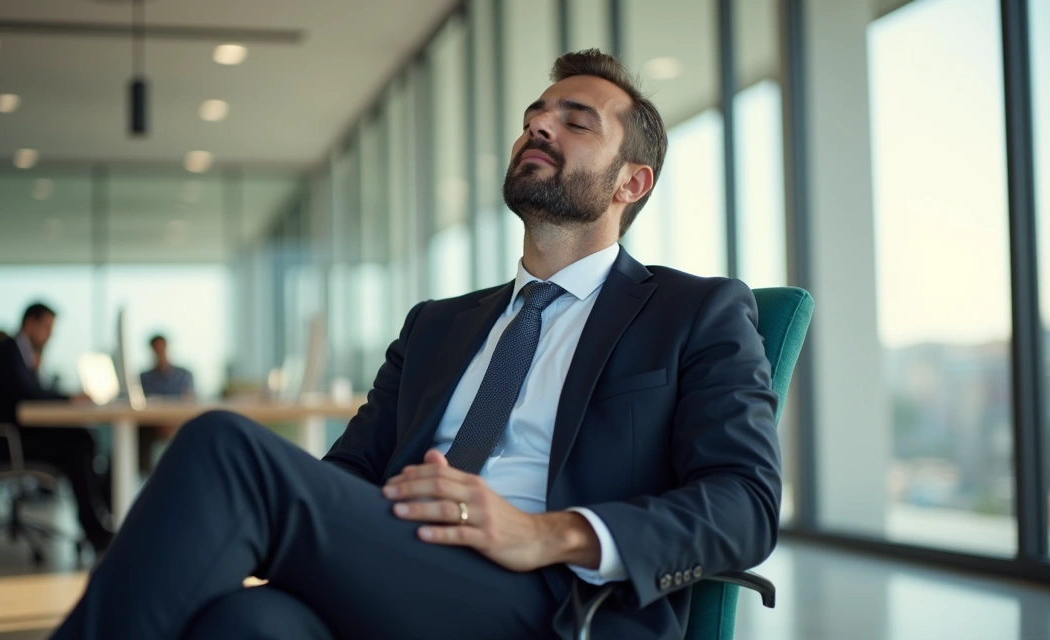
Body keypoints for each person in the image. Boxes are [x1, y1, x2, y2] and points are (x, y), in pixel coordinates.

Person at [53, 49, 780, 640]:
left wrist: (545, 534)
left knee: (225, 449)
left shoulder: (693, 312)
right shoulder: (437, 324)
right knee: (244, 624)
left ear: (631, 183)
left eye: (575, 121)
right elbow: (351, 470)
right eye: (535, 115)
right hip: (406, 564)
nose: (538, 125)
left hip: (556, 601)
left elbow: (745, 503)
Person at [0, 302, 114, 552]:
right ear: (30, 323)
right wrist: (69, 399)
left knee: (82, 438)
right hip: (2, 444)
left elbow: (31, 392)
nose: (50, 335)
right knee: (78, 444)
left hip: (9, 437)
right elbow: (30, 395)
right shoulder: (8, 351)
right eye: (46, 328)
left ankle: (99, 516)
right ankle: (95, 527)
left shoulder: (19, 354)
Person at [137, 335, 195, 473]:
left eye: (162, 348)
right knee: (139, 432)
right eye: (156, 349)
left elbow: (188, 403)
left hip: (177, 422)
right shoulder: (144, 378)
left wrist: (171, 422)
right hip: (153, 425)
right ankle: (146, 474)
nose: (160, 352)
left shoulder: (184, 375)